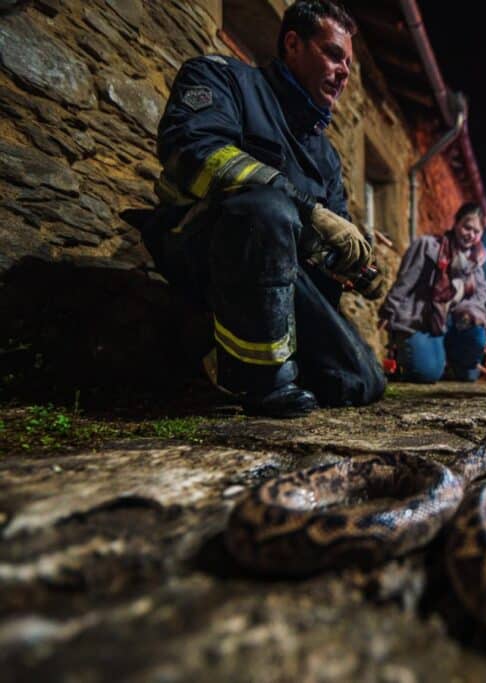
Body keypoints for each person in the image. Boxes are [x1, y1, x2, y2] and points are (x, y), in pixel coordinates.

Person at [133, 1, 386, 418]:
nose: (343, 72)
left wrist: (355, 267)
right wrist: (307, 210)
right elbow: (191, 150)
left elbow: (328, 237)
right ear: (292, 44)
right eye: (333, 54)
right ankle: (258, 383)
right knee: (265, 209)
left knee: (362, 381)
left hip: (283, 277)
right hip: (205, 250)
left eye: (348, 61)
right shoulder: (222, 78)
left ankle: (230, 354)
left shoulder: (325, 154)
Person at [379, 203, 486, 383]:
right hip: (422, 320)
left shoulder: (476, 264)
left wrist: (470, 313)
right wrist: (389, 310)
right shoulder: (428, 246)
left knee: (470, 373)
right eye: (467, 227)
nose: (471, 235)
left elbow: (479, 298)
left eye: (477, 231)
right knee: (426, 373)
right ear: (456, 223)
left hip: (451, 323)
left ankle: (451, 361)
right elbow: (405, 281)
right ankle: (415, 355)